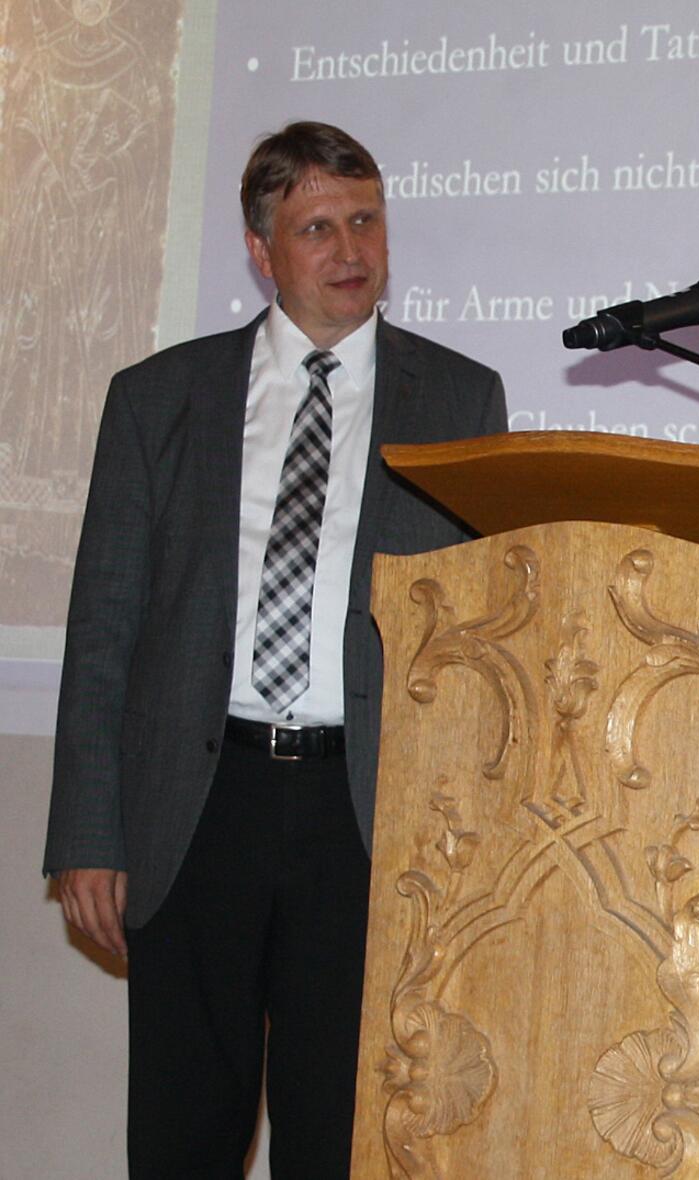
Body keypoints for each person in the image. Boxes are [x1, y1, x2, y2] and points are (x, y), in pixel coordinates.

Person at [43, 121, 507, 1178]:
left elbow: (476, 640)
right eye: (317, 229)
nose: (350, 250)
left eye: (365, 221)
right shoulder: (160, 397)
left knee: (339, 1130)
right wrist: (87, 830)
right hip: (199, 804)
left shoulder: (458, 398)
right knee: (183, 1130)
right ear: (261, 250)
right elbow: (105, 624)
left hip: (364, 811)